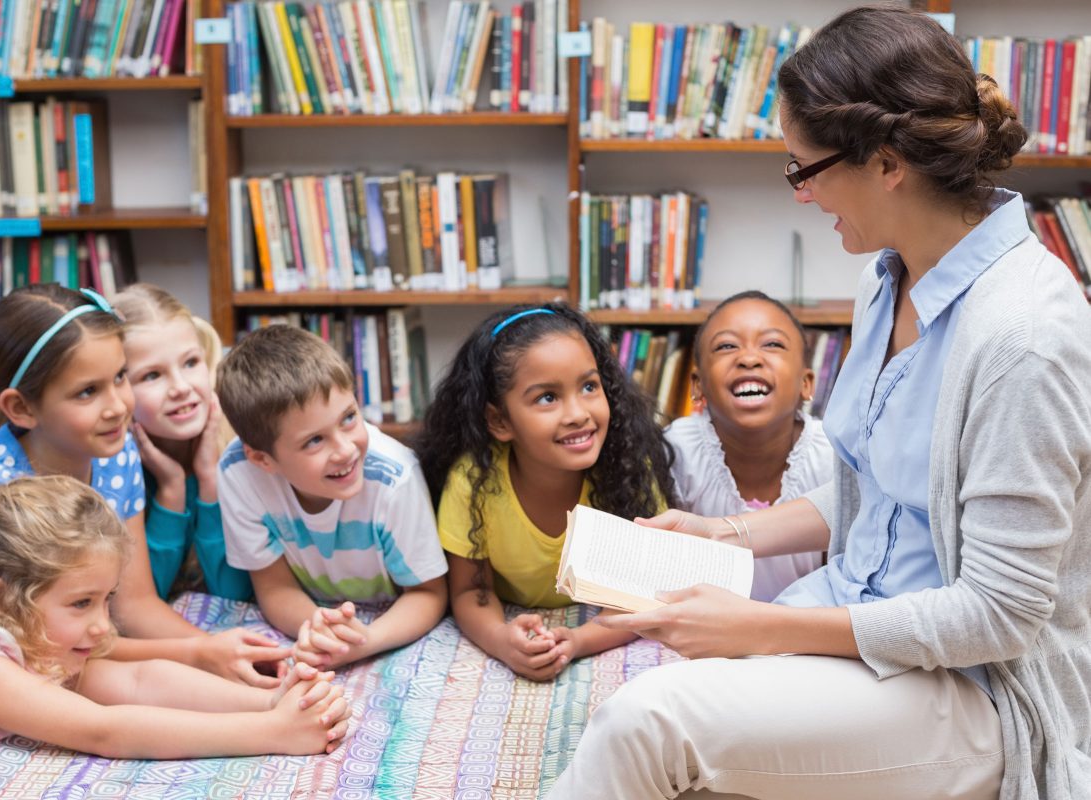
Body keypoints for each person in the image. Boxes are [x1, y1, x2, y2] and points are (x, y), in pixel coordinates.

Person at [549, 6, 1091, 799]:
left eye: (804, 170)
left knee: (646, 724)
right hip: (859, 617)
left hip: (977, 688)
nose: (799, 194)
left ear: (886, 161)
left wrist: (764, 628)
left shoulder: (1024, 337)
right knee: (680, 726)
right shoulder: (887, 280)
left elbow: (999, 616)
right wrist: (723, 532)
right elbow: (873, 493)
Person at [0, 284, 289, 687]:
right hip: (21, 664)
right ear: (21, 408)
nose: (118, 407)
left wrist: (222, 652)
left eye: (120, 377)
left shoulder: (115, 452)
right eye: (88, 391)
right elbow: (42, 647)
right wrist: (197, 652)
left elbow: (134, 605)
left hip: (83, 647)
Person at [0, 475, 351, 782]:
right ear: (0, 600)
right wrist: (272, 732)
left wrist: (269, 701)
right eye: (81, 603)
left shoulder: (39, 645)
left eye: (107, 599)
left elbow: (139, 680)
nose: (103, 625)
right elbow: (104, 731)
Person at [415, 303, 676, 682]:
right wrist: (503, 641)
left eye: (589, 386)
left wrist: (577, 641)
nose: (577, 413)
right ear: (500, 420)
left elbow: (644, 593)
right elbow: (472, 593)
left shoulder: (630, 469)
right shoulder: (472, 482)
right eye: (547, 398)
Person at [215, 324, 448, 670]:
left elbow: (428, 594)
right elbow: (274, 588)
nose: (345, 449)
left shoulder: (394, 477)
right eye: (314, 441)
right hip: (319, 612)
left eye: (349, 418)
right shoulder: (238, 474)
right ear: (262, 459)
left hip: (389, 617)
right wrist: (320, 630)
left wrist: (364, 641)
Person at [667, 290, 830, 602]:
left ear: (806, 383)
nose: (749, 358)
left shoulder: (830, 456)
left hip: (805, 631)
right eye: (727, 346)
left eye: (772, 344)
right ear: (697, 386)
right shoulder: (678, 452)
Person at [116, 283, 253, 601]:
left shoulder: (239, 444)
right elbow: (143, 603)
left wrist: (209, 480)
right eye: (152, 375)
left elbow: (234, 594)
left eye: (191, 363)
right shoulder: (116, 464)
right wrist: (172, 490)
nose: (180, 387)